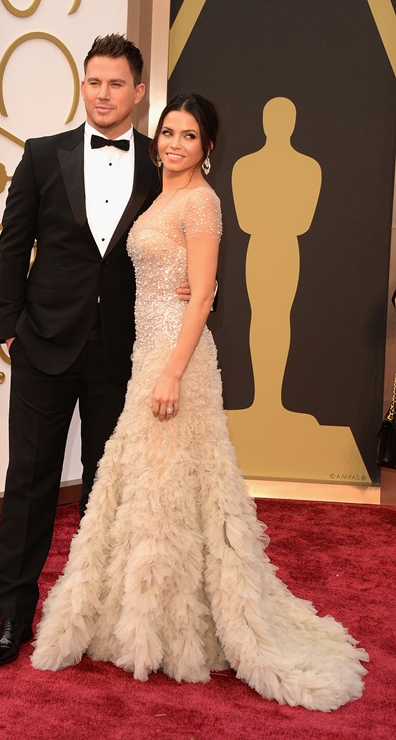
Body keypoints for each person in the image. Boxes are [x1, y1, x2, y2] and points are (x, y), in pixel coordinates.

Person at [31, 93, 369, 712]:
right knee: (152, 485)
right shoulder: (158, 196)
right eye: (168, 132)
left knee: (173, 487)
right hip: (147, 356)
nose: (174, 144)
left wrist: (172, 372)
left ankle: (175, 623)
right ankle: (141, 614)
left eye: (189, 136)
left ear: (208, 147)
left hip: (176, 364)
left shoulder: (202, 201)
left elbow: (204, 293)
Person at [0, 34, 188, 668]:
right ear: (84, 87)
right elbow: (14, 243)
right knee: (30, 483)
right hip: (44, 344)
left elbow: (183, 242)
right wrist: (7, 326)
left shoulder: (160, 168)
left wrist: (189, 289)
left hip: (120, 356)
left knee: (109, 490)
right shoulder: (42, 155)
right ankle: (14, 617)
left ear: (138, 92)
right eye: (94, 82)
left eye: (116, 84)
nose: (103, 94)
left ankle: (94, 616)